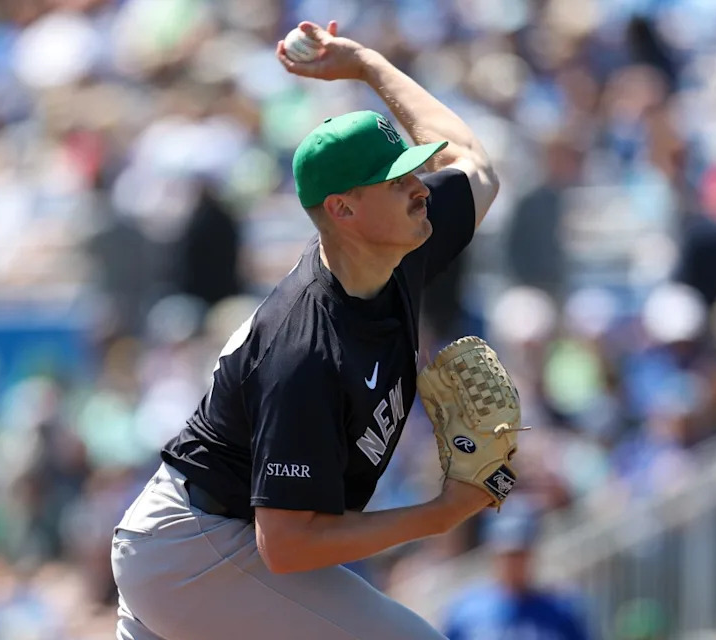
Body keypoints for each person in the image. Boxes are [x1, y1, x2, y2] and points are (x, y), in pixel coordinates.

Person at [110, 19, 501, 640]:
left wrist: (367, 65)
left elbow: (471, 161)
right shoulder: (306, 349)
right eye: (397, 178)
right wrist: (439, 515)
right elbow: (287, 546)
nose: (418, 188)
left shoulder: (398, 246)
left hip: (197, 543)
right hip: (199, 548)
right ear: (343, 209)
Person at [442, 504, 593, 640]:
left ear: (531, 554)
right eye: (508, 555)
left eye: (519, 554)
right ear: (493, 554)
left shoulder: (561, 610)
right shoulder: (466, 611)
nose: (513, 563)